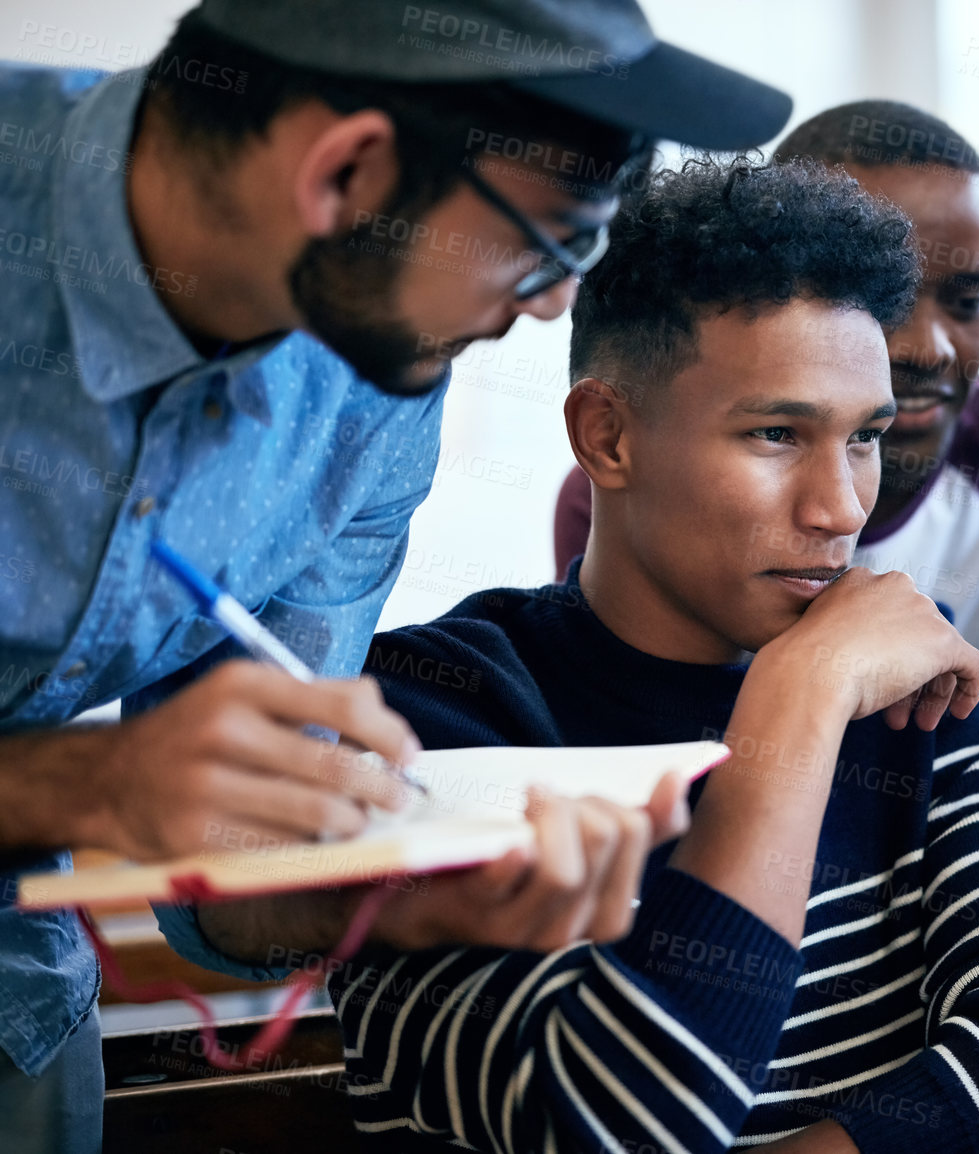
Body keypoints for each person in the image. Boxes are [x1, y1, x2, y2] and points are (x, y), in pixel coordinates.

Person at [0, 1, 791, 1147]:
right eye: (552, 244)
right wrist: (83, 783)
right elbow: (120, 786)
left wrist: (402, 900)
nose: (556, 304)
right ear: (348, 173)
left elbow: (228, 865)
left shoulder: (372, 397)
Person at [332, 157, 979, 1154]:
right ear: (608, 436)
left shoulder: (912, 691)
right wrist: (794, 706)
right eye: (775, 433)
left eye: (862, 438)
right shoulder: (427, 717)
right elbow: (608, 1119)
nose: (842, 508)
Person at [552, 100, 979, 790]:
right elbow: (635, 723)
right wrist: (813, 687)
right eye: (878, 295)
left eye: (967, 300)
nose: (928, 346)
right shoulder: (629, 499)